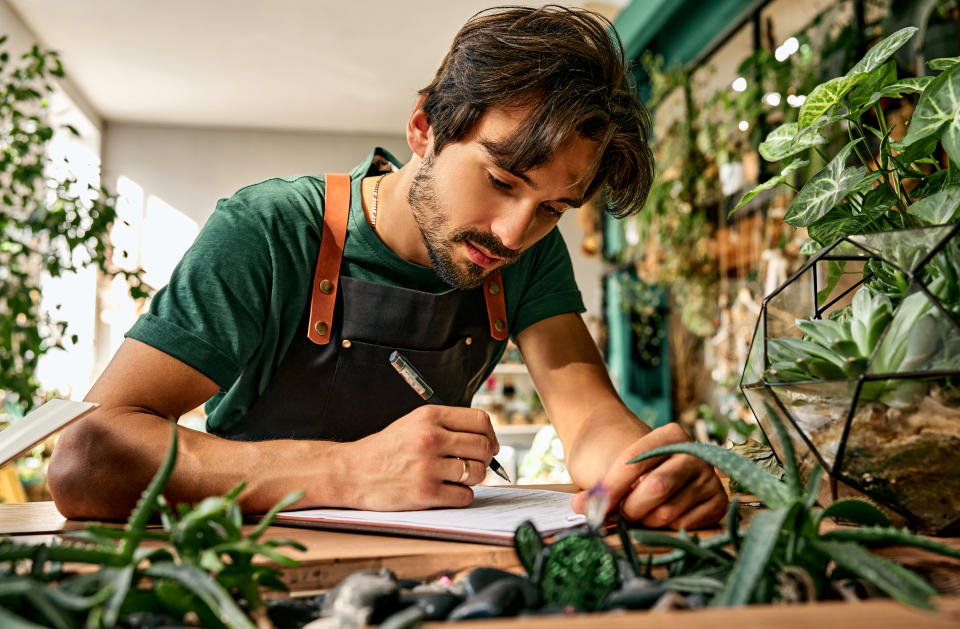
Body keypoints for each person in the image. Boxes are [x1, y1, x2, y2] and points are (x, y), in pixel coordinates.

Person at [48, 5, 727, 528]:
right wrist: (345, 471)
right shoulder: (270, 229)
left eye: (554, 207)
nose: (515, 233)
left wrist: (646, 472)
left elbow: (587, 419)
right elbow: (85, 457)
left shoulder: (526, 253)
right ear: (424, 128)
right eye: (501, 179)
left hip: (425, 571)